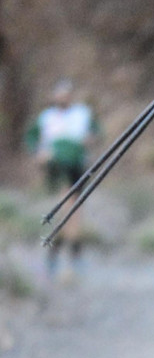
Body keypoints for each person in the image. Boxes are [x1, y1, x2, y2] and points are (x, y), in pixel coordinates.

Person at [25, 79, 100, 279]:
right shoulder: (47, 117)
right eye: (60, 94)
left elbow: (96, 132)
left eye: (66, 94)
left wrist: (90, 139)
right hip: (57, 167)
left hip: (79, 166)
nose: (63, 97)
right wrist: (38, 154)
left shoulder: (82, 114)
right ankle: (72, 255)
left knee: (73, 210)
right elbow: (32, 138)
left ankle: (56, 253)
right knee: (70, 208)